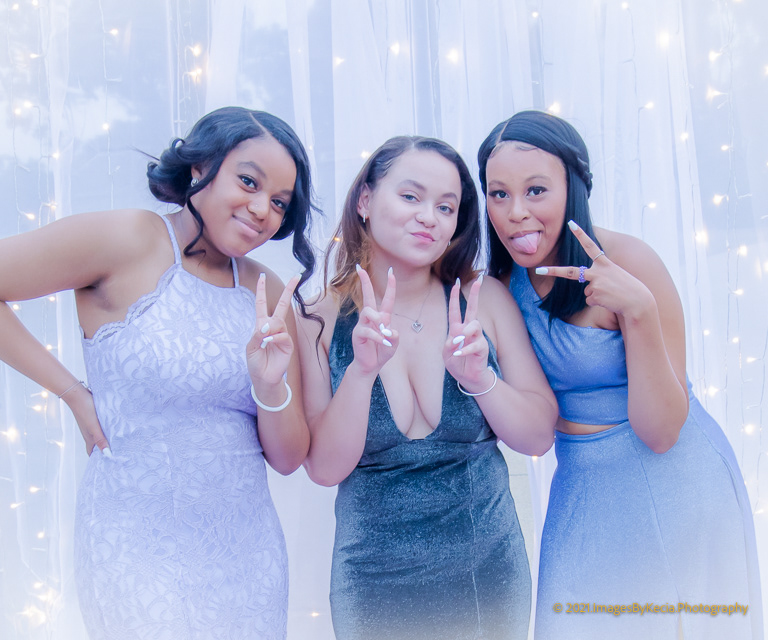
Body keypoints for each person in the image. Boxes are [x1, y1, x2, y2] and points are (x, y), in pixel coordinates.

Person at [0, 106, 316, 639]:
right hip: (134, 545)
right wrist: (72, 392)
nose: (261, 209)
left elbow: (289, 460)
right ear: (200, 167)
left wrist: (270, 385)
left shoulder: (268, 293)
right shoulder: (128, 238)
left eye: (279, 202)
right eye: (249, 181)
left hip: (248, 557)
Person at [478, 110, 763, 640]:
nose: (516, 212)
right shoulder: (498, 284)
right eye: (499, 194)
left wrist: (640, 312)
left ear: (574, 188)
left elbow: (662, 432)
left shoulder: (630, 259)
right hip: (583, 488)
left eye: (536, 190)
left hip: (676, 483)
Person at [296, 135, 558, 640]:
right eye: (411, 197)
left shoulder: (485, 299)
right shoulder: (316, 318)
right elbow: (324, 469)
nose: (428, 218)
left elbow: (538, 437)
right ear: (366, 200)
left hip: (487, 576)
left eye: (446, 207)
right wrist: (361, 373)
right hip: (373, 583)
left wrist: (480, 380)